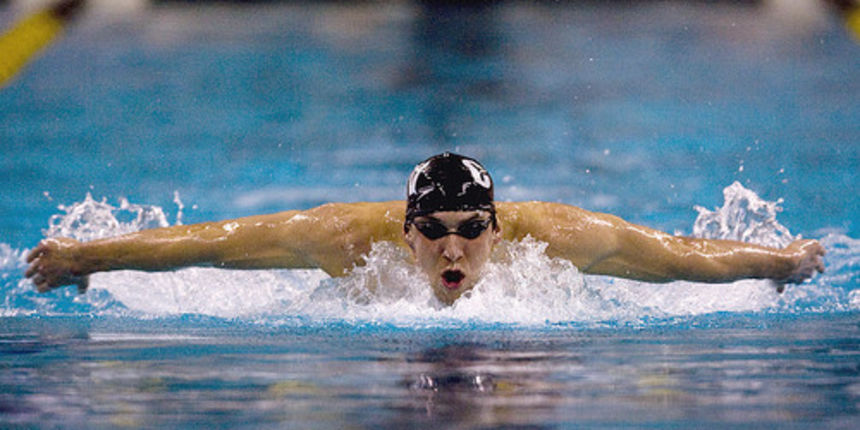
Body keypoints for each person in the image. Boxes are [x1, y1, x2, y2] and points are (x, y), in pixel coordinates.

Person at [25, 153, 825, 305]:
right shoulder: (344, 238)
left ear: (497, 227)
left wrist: (778, 264)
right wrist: (85, 257)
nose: (452, 247)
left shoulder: (556, 238)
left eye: (472, 230)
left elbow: (681, 259)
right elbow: (207, 242)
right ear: (403, 232)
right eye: (433, 231)